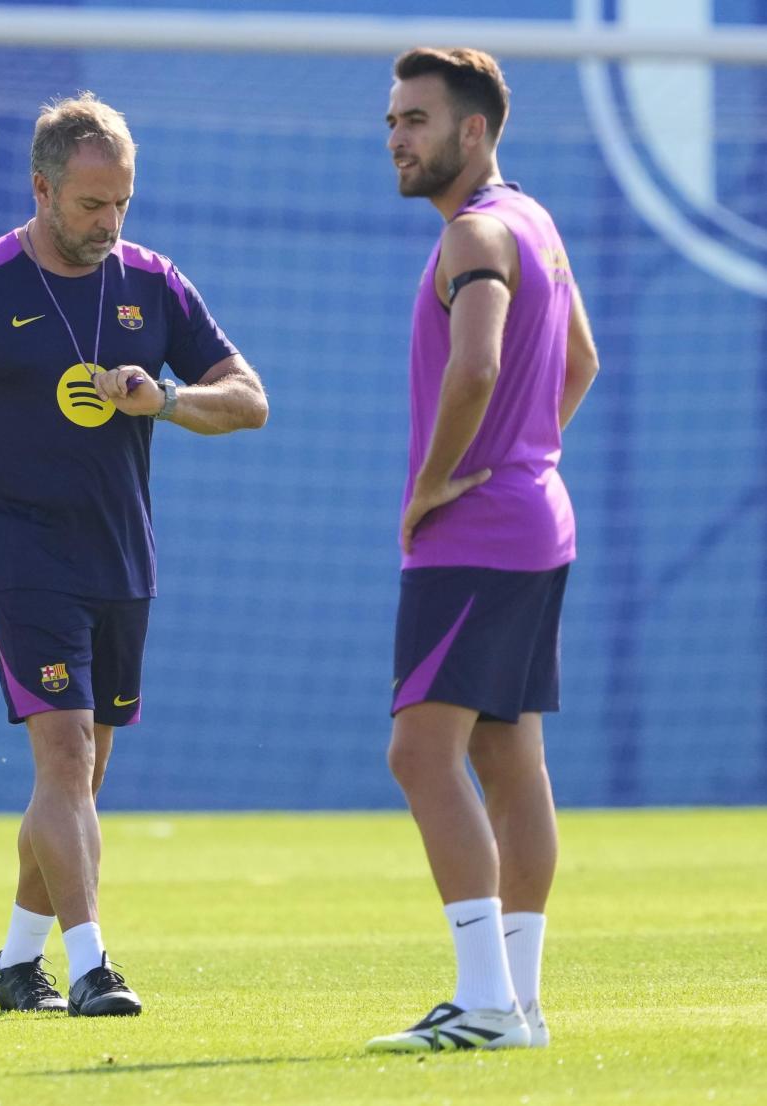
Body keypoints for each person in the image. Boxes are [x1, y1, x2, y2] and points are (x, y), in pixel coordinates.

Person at [0, 93, 267, 1018]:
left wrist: (167, 400)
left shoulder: (154, 282)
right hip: (21, 555)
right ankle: (93, 964)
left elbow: (250, 399)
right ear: (42, 188)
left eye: (123, 204)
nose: (110, 223)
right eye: (92, 204)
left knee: (80, 779)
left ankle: (17, 962)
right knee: (63, 759)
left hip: (121, 557)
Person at [367, 47, 599, 1054]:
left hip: (475, 533)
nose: (396, 137)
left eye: (414, 119)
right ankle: (519, 1002)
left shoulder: (473, 231)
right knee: (507, 759)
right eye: (391, 120)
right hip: (536, 517)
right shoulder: (534, 221)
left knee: (419, 753)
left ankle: (484, 1000)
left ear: (472, 130)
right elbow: (580, 361)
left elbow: (477, 366)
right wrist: (525, 455)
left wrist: (436, 482)